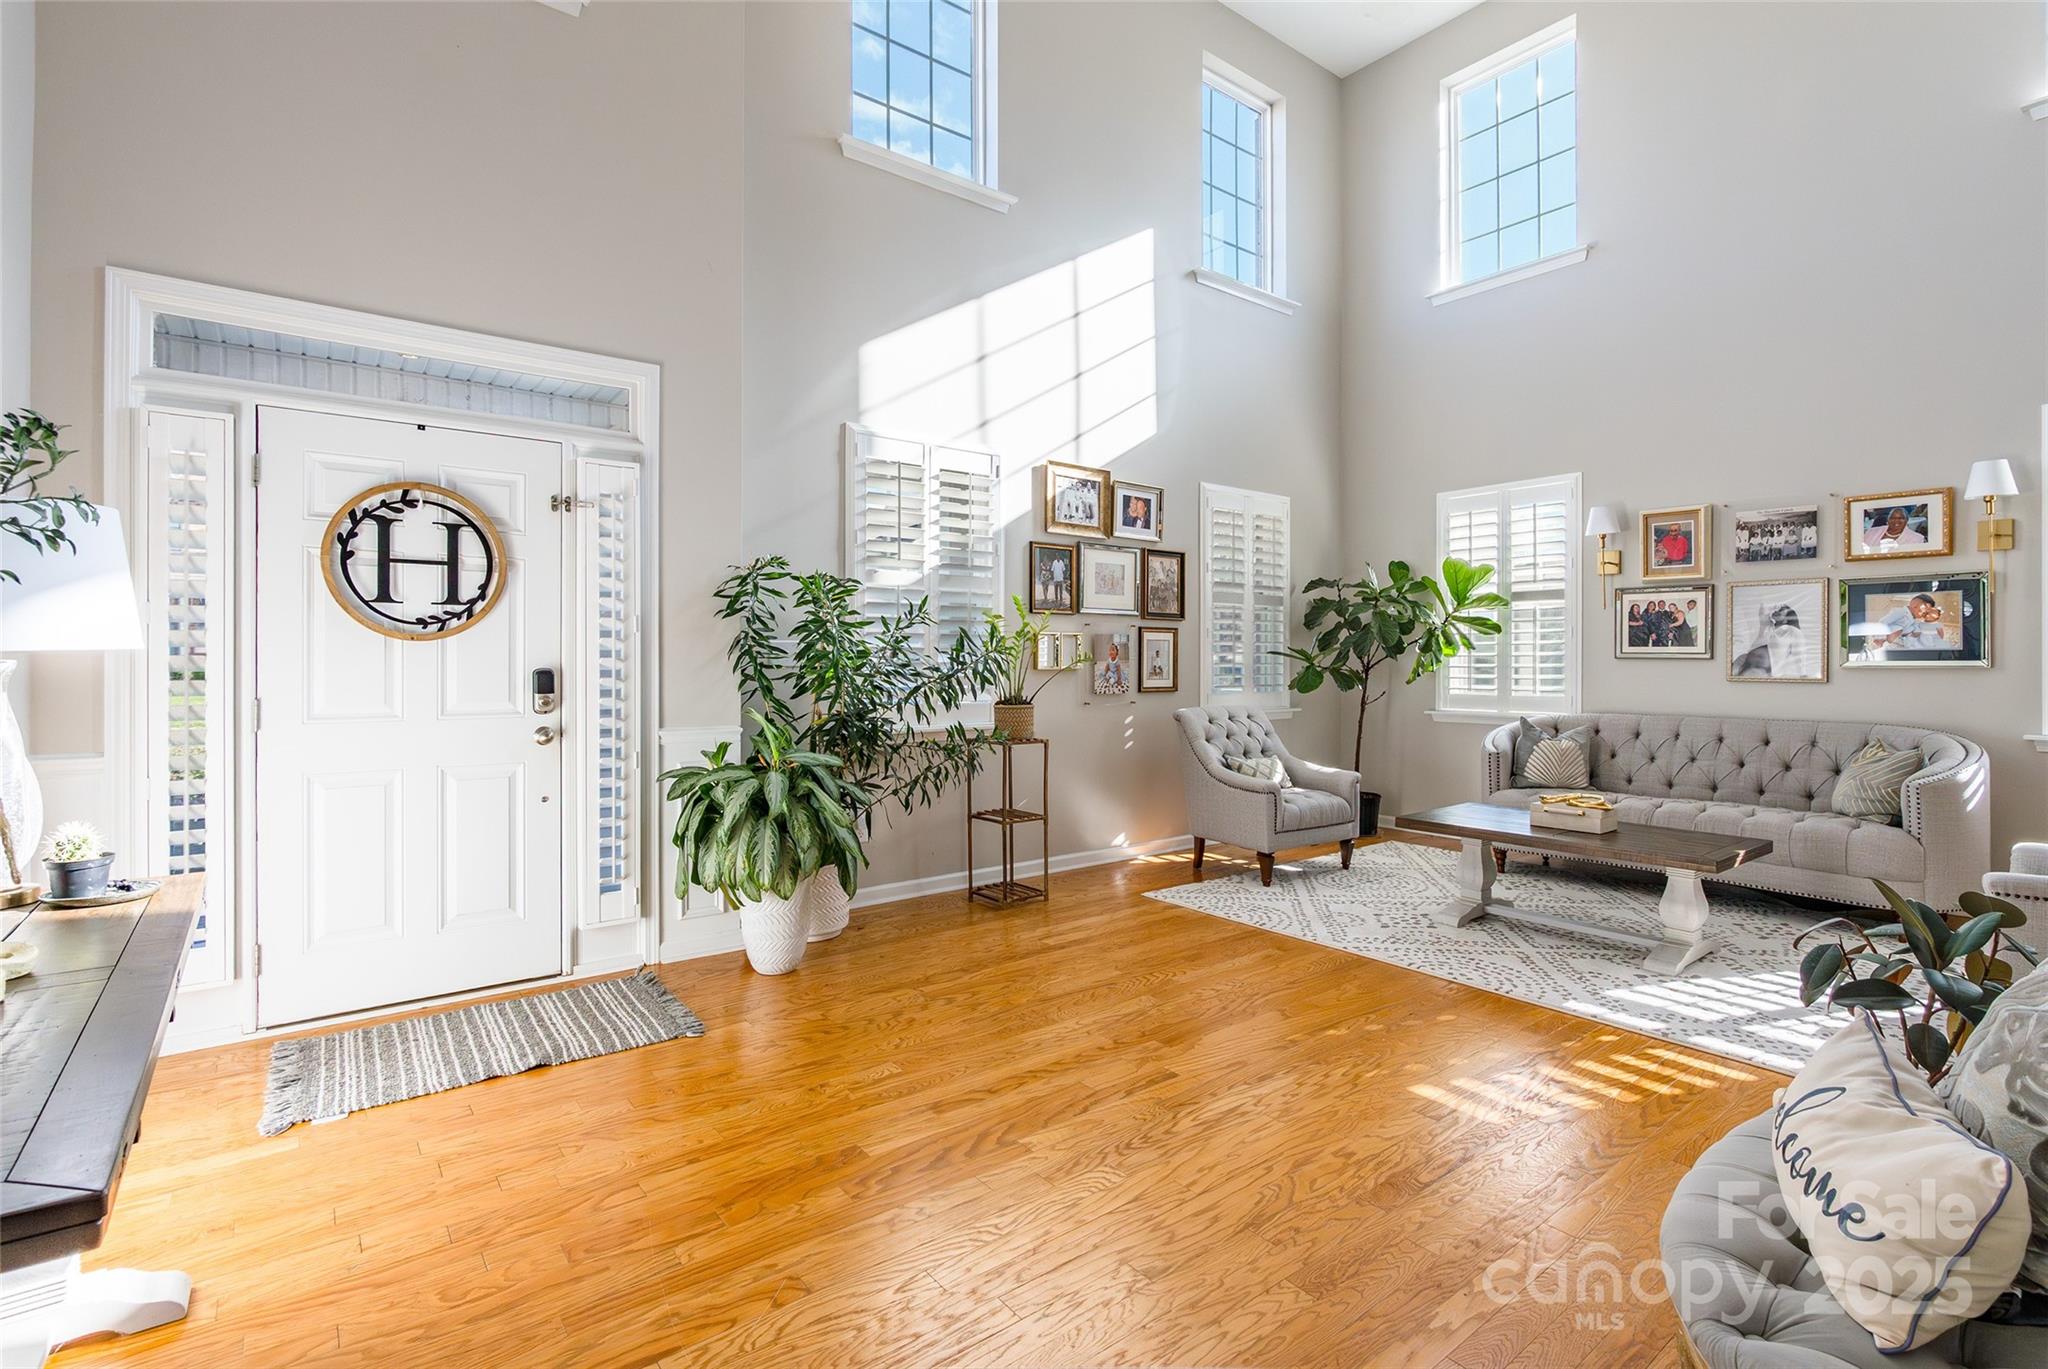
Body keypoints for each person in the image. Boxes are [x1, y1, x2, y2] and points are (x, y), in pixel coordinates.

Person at [1733, 602, 1810, 678]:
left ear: (1788, 617)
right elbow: (1763, 607)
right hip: (1745, 662)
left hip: (1763, 669)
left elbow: (1800, 653)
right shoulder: (1768, 626)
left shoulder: (1792, 631)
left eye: (1781, 610)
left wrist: (1803, 674)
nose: (1777, 610)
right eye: (1777, 609)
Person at [1874, 593, 1947, 651]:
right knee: (1900, 629)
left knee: (1914, 632)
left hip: (1899, 642)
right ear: (1914, 604)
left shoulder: (1914, 621)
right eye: (1925, 607)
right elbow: (1883, 622)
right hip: (1888, 637)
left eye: (1928, 611)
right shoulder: (1901, 612)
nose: (1926, 612)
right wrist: (1880, 638)